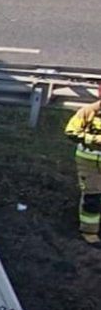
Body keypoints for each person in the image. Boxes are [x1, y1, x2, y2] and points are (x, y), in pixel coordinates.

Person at [64, 88, 101, 246]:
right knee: (93, 197)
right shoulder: (87, 112)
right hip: (89, 163)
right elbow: (71, 132)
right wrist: (94, 139)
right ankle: (89, 233)